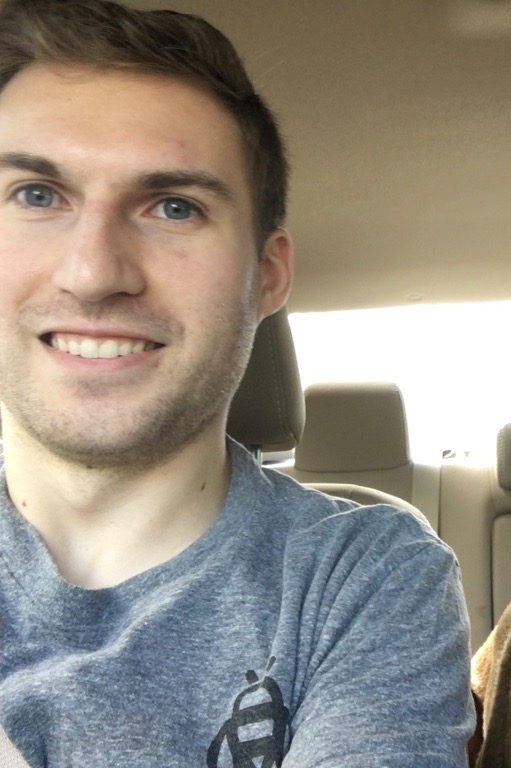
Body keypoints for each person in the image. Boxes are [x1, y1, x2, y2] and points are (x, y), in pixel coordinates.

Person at [0, 1, 475, 765]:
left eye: (174, 207)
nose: (92, 272)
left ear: (268, 275)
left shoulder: (367, 575)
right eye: (36, 195)